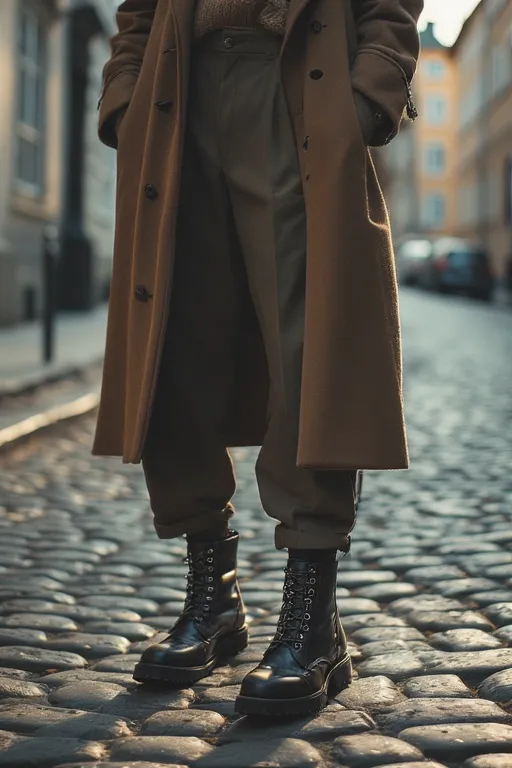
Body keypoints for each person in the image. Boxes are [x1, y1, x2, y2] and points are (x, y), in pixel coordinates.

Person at [94, 0, 423, 717]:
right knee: (173, 347)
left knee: (310, 350)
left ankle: (313, 623)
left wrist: (368, 94)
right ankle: (212, 601)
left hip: (298, 81)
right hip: (177, 91)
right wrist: (124, 98)